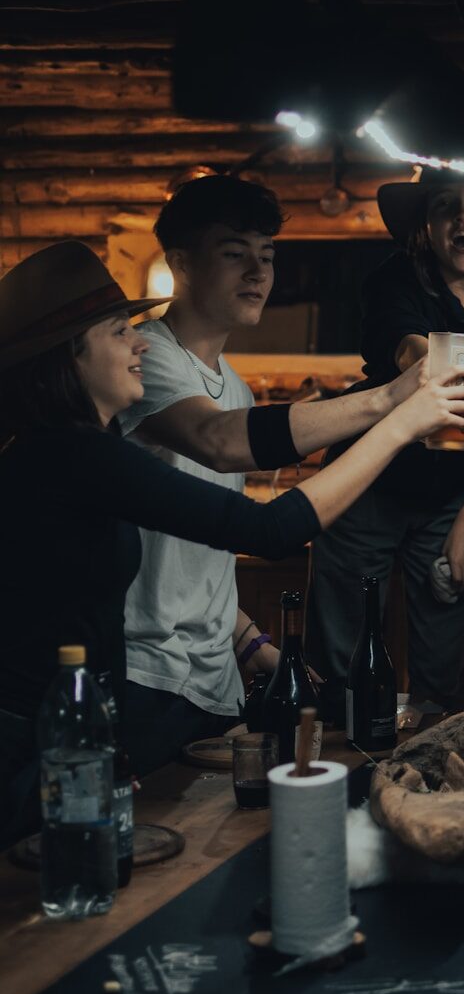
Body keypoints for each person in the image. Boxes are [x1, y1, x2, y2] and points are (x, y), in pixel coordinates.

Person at [0, 240, 464, 841]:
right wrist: (398, 424)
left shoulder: (69, 454)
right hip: (36, 743)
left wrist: (254, 645)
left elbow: (250, 468)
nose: (140, 341)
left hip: (72, 731)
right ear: (70, 357)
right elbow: (270, 530)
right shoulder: (75, 456)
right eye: (120, 332)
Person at [117, 175, 432, 774]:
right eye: (235, 254)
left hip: (214, 681)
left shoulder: (230, 383)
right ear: (179, 262)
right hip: (148, 675)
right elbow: (221, 441)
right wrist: (390, 400)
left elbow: (196, 553)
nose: (259, 274)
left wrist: (250, 642)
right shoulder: (145, 356)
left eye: (267, 256)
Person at [304, 168, 464, 712]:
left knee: (441, 668)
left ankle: (433, 776)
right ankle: (337, 772)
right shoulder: (395, 279)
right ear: (428, 227)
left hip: (450, 496)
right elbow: (412, 353)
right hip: (368, 485)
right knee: (344, 657)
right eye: (445, 205)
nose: (463, 216)